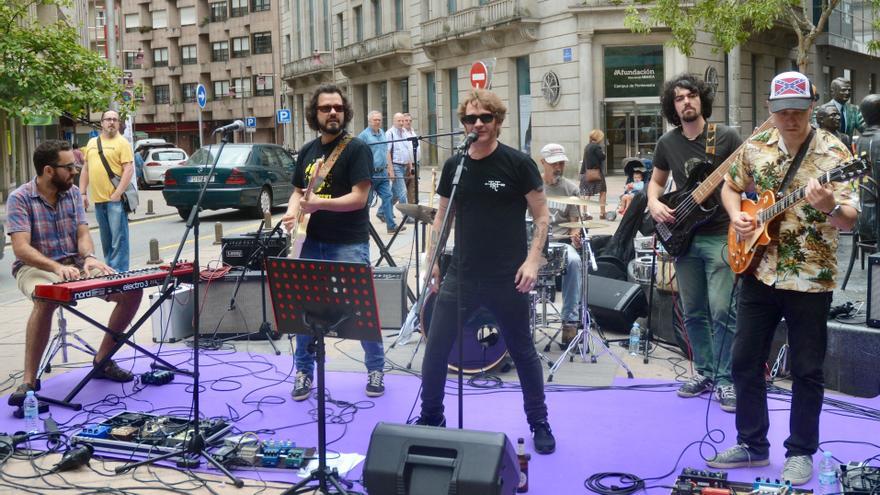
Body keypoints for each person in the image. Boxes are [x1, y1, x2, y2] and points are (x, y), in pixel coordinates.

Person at [709, 71, 857, 486]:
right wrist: (738, 213)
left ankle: (801, 452)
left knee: (807, 370)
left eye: (797, 111)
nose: (789, 119)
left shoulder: (836, 153)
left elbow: (849, 220)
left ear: (812, 107)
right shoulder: (757, 146)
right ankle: (752, 445)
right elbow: (730, 185)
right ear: (770, 109)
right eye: (781, 112)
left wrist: (829, 206)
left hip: (810, 279)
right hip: (759, 270)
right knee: (743, 362)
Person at [415, 88, 556, 455]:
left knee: (523, 350)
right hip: (460, 274)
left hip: (507, 277)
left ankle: (539, 422)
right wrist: (432, 263)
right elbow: (443, 217)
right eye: (470, 119)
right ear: (463, 124)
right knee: (437, 348)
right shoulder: (455, 165)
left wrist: (533, 260)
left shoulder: (516, 163)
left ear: (497, 121)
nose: (477, 124)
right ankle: (431, 417)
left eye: (485, 118)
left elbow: (542, 216)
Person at [6, 140, 142, 407]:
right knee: (46, 297)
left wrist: (89, 257)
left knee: (131, 290)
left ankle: (102, 359)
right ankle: (30, 381)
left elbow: (83, 234)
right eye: (69, 167)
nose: (76, 171)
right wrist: (56, 268)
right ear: (48, 170)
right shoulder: (19, 198)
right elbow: (21, 249)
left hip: (74, 265)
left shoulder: (71, 194)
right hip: (35, 268)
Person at [281, 84, 386, 401]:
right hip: (310, 241)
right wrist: (291, 212)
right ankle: (303, 372)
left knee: (361, 308)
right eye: (326, 108)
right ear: (315, 113)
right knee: (305, 310)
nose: (332, 113)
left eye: (338, 108)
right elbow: (299, 191)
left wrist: (318, 205)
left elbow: (359, 198)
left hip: (347, 242)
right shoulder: (309, 150)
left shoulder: (356, 149)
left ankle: (375, 368)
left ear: (345, 112)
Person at [647, 73, 742, 412]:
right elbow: (656, 183)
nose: (686, 101)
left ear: (701, 99)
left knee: (722, 310)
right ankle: (704, 372)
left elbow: (747, 179)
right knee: (694, 312)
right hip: (684, 238)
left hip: (719, 235)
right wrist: (654, 203)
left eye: (691, 95)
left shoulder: (727, 137)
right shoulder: (667, 143)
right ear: (672, 106)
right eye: (678, 98)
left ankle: (726, 378)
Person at [539, 143, 583, 347]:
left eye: (561, 163)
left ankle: (570, 322)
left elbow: (575, 223)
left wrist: (575, 235)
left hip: (561, 244)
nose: (558, 167)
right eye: (553, 163)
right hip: (535, 243)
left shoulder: (571, 189)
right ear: (543, 163)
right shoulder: (533, 186)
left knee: (574, 262)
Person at [80, 110, 135, 272]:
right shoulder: (92, 143)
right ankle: (110, 270)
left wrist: (117, 193)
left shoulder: (122, 143)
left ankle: (119, 272)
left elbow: (128, 169)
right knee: (106, 239)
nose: (111, 122)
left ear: (118, 123)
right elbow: (86, 169)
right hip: (98, 200)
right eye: (108, 119)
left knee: (119, 240)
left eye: (115, 120)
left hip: (115, 201)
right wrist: (82, 193)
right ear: (102, 122)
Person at [358, 111, 402, 234]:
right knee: (367, 202)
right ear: (369, 121)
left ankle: (391, 226)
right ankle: (363, 227)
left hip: (382, 174)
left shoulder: (382, 133)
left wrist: (390, 169)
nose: (378, 122)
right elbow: (358, 155)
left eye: (379, 120)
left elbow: (386, 151)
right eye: (375, 120)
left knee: (388, 197)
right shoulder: (364, 136)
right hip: (370, 174)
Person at [385, 112, 412, 208]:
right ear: (394, 121)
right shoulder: (390, 133)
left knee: (395, 193)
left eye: (402, 121)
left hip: (404, 166)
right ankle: (407, 216)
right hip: (396, 166)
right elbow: (387, 152)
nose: (401, 123)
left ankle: (382, 211)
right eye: (399, 121)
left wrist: (410, 165)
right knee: (402, 191)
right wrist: (390, 169)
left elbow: (407, 149)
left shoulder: (404, 132)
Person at [580, 129, 608, 219]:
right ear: (598, 137)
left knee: (586, 193)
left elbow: (585, 160)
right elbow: (602, 157)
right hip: (596, 173)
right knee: (603, 191)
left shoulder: (587, 146)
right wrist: (603, 154)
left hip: (587, 173)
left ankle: (584, 212)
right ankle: (602, 213)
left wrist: (582, 172)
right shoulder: (596, 147)